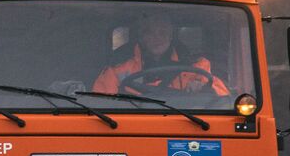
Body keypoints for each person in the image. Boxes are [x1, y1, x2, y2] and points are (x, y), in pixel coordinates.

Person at [91, 11, 229, 96]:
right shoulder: (117, 69)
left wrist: (205, 89)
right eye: (149, 32)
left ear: (171, 36)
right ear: (140, 37)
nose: (157, 38)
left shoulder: (197, 66)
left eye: (163, 32)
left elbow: (222, 98)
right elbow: (100, 101)